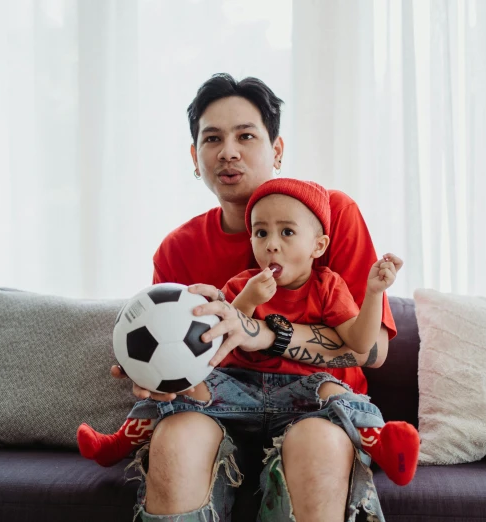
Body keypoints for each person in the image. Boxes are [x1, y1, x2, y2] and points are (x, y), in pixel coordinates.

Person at [103, 74, 399, 522]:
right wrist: (154, 373)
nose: (228, 151)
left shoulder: (329, 215)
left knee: (317, 447)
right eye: (212, 139)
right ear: (195, 157)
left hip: (315, 409)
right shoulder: (177, 249)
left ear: (276, 150)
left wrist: (263, 334)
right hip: (219, 406)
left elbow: (373, 349)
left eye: (246, 136)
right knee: (176, 440)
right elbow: (180, 361)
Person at [78, 178, 419, 488]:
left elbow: (360, 344)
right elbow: (222, 339)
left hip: (301, 396)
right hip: (239, 388)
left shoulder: (329, 286)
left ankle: (381, 443)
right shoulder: (242, 283)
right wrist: (249, 298)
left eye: (287, 232)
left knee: (331, 387)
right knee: (188, 385)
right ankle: (121, 440)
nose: (272, 245)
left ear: (318, 245)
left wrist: (373, 293)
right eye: (261, 233)